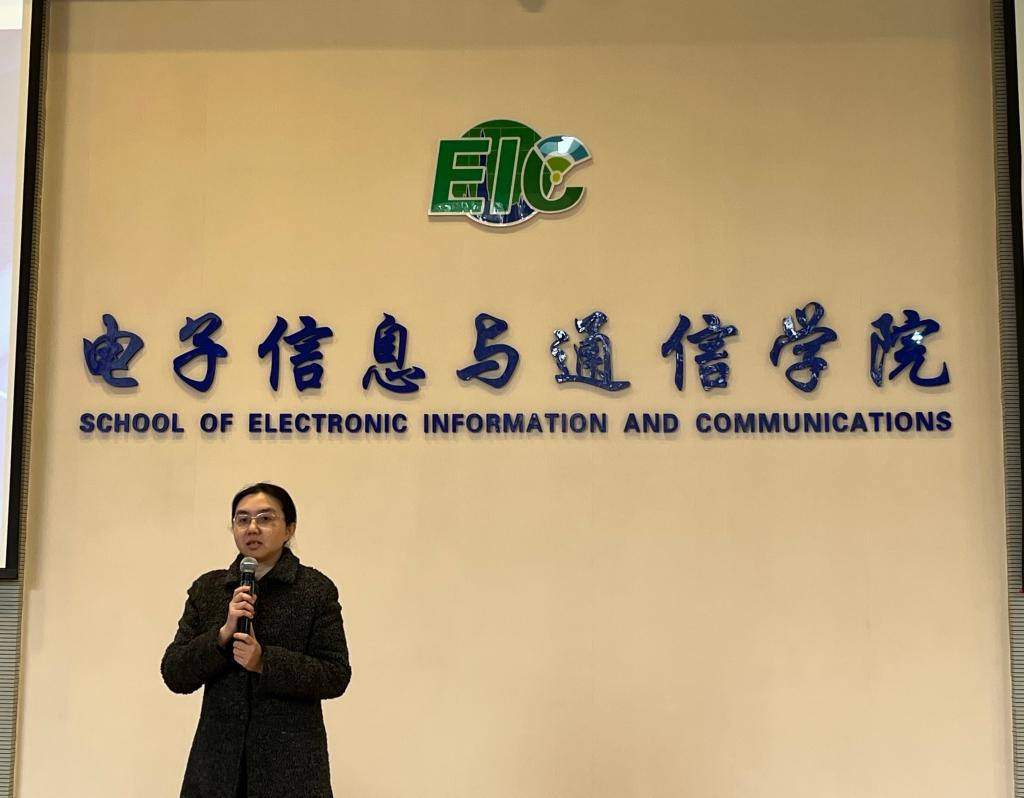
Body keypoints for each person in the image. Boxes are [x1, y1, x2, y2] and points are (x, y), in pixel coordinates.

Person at [161, 483, 351, 798]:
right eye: (242, 519)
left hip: (290, 770)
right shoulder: (208, 590)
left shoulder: (315, 590)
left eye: (265, 518)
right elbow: (174, 673)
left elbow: (335, 674)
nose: (252, 528)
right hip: (216, 770)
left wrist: (265, 662)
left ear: (289, 528)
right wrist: (221, 636)